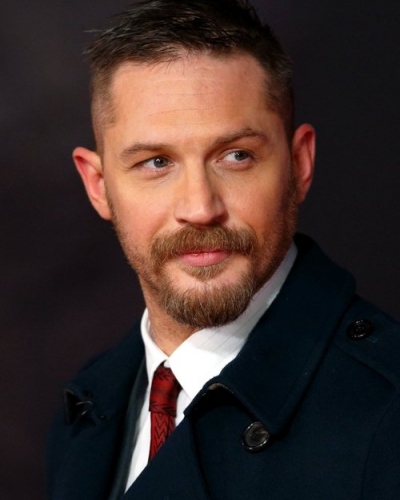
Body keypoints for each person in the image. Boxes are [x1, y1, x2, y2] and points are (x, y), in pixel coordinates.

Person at [46, 0, 400, 498]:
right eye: (156, 162)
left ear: (299, 165)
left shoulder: (389, 413)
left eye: (236, 156)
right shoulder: (86, 409)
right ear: (99, 186)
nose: (199, 207)